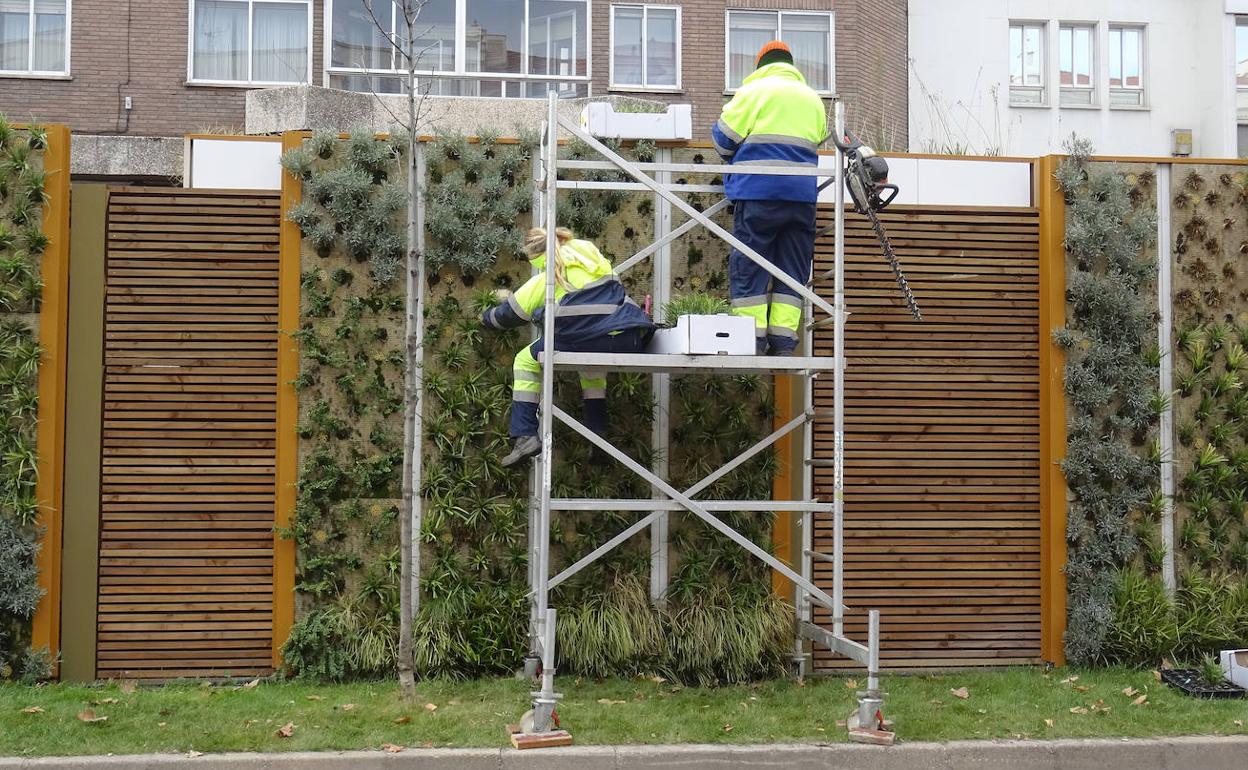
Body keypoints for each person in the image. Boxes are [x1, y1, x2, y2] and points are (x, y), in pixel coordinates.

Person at [483, 227, 655, 467]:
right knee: (592, 369)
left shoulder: (550, 276)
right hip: (624, 338)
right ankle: (598, 438)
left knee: (524, 360)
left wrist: (484, 316)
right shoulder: (599, 264)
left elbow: (510, 315)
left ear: (537, 256)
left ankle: (525, 435)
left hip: (583, 339)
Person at [711, 40, 828, 355]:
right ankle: (784, 341)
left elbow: (723, 141)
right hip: (802, 198)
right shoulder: (813, 99)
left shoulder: (754, 91)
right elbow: (818, 138)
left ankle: (751, 339)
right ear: (790, 65)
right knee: (793, 267)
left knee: (750, 264)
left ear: (761, 65)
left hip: (758, 193)